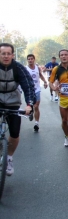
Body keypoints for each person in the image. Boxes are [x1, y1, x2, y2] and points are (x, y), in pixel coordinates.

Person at [0, 43, 35, 176]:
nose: (6, 56)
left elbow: (28, 86)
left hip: (13, 101)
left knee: (14, 133)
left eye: (9, 53)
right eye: (3, 53)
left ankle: (9, 158)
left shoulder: (18, 67)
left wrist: (29, 105)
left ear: (13, 55)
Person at [25, 54, 48, 132]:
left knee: (36, 106)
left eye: (32, 59)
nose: (30, 60)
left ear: (34, 59)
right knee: (30, 107)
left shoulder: (37, 68)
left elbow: (40, 75)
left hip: (37, 90)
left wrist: (45, 82)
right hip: (29, 91)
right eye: (29, 59)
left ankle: (36, 123)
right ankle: (31, 112)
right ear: (27, 60)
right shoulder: (25, 69)